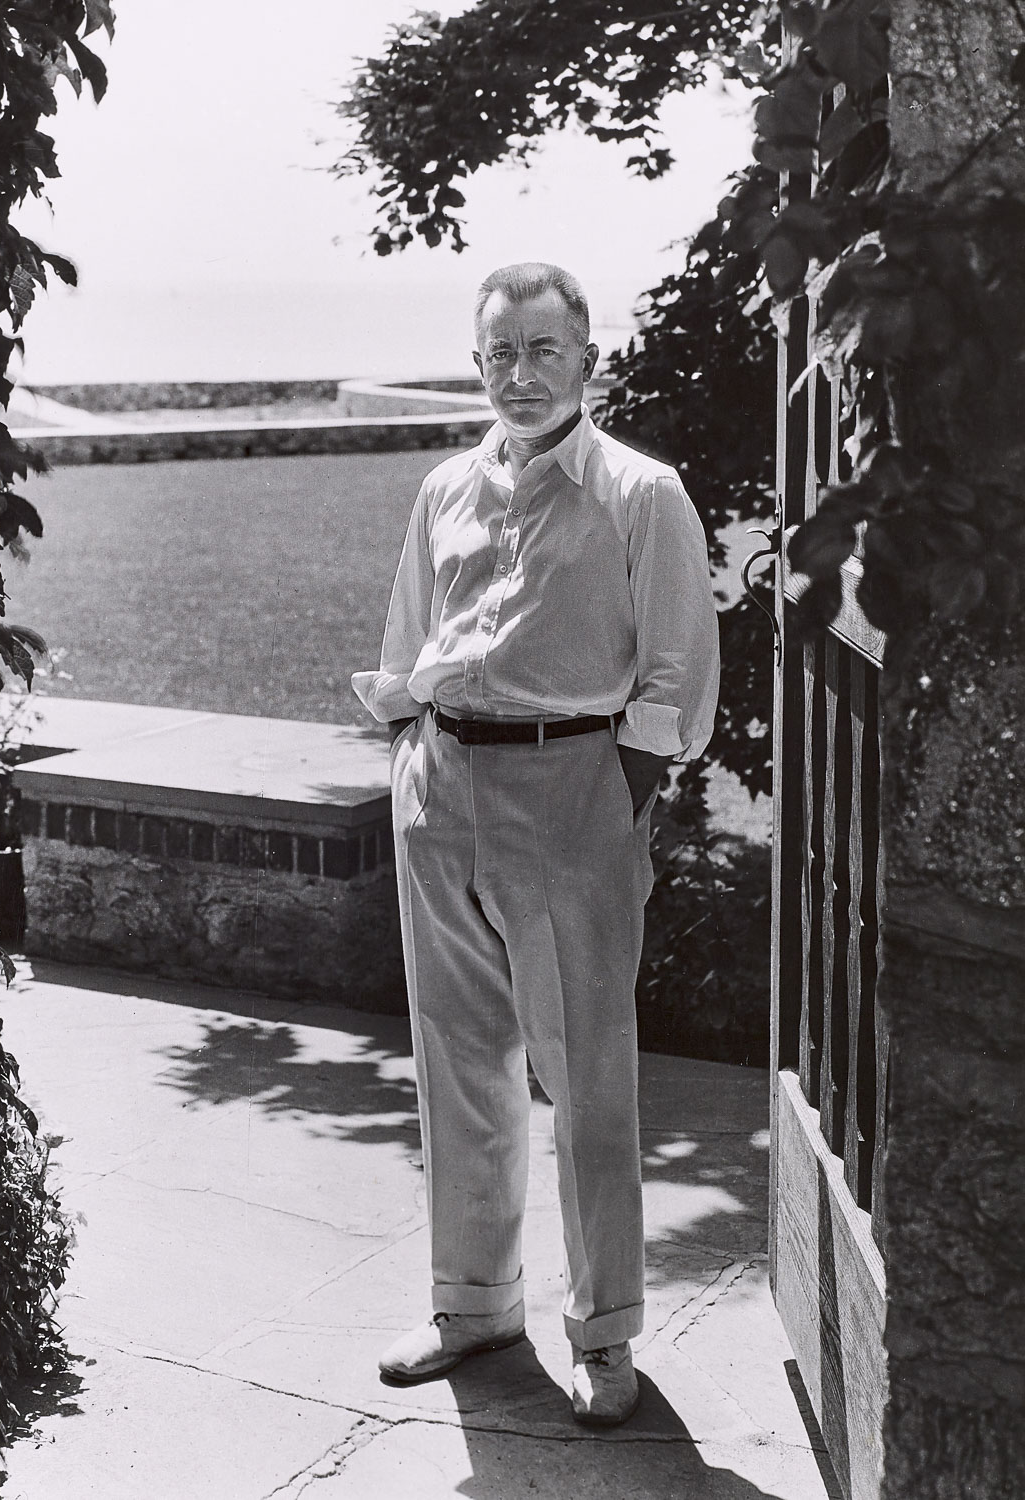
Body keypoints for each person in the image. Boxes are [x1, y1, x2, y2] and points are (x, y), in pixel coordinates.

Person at [351, 262, 719, 1426]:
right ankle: (473, 1305)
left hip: (572, 791)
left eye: (542, 349)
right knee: (459, 1063)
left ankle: (603, 1337)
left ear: (588, 361)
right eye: (499, 353)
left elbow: (675, 675)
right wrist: (416, 760)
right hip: (440, 788)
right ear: (477, 365)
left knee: (586, 1078)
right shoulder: (444, 489)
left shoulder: (640, 495)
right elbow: (410, 640)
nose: (519, 373)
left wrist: (620, 793)